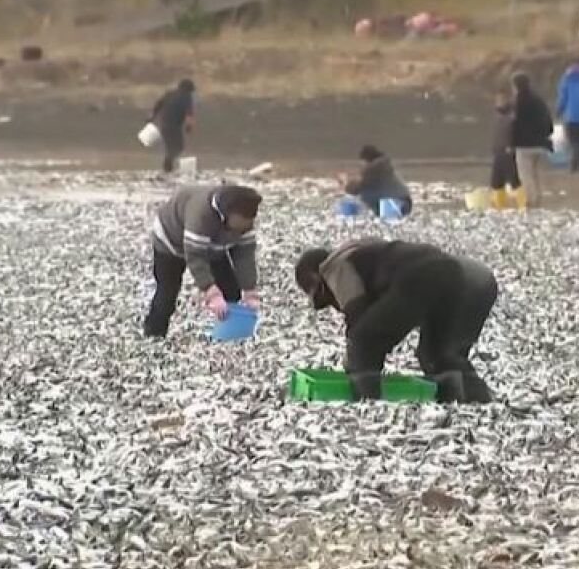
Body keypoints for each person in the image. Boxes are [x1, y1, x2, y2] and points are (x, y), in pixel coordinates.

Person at [294, 239, 497, 404]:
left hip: (418, 276)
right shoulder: (365, 252)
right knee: (436, 354)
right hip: (451, 272)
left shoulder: (334, 266)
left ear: (318, 279)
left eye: (325, 299)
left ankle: (367, 405)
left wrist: (353, 362)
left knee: (364, 340)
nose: (333, 304)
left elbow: (357, 313)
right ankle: (478, 403)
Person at [143, 184, 261, 339]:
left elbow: (244, 253)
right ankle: (154, 334)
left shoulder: (244, 219)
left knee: (231, 290)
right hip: (170, 241)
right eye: (241, 223)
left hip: (212, 245)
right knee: (167, 293)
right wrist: (211, 291)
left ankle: (228, 333)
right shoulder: (201, 214)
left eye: (248, 223)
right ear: (227, 213)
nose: (244, 227)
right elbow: (195, 255)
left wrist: (249, 289)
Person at [509, 73, 553, 208]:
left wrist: (511, 143)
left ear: (516, 86)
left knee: (526, 175)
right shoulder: (539, 101)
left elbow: (515, 125)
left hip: (524, 145)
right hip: (541, 144)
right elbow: (548, 122)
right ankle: (538, 199)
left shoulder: (518, 102)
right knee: (536, 174)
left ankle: (530, 202)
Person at [338, 145, 413, 217]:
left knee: (362, 197)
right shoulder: (383, 167)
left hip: (396, 205)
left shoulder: (373, 170)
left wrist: (344, 183)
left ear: (366, 159)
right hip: (405, 204)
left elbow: (355, 189)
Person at [148, 79, 196, 174]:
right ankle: (167, 170)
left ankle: (168, 169)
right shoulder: (186, 96)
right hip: (174, 126)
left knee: (172, 147)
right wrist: (189, 126)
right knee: (177, 148)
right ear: (189, 89)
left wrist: (152, 117)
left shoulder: (170, 93)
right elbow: (189, 113)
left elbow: (158, 105)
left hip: (164, 124)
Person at [490, 88, 525, 210]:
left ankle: (522, 205)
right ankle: (499, 206)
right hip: (498, 151)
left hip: (508, 151)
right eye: (497, 100)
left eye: (501, 100)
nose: (498, 102)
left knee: (513, 179)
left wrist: (512, 146)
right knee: (496, 181)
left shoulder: (512, 117)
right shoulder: (498, 116)